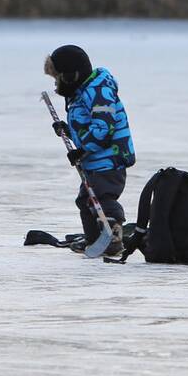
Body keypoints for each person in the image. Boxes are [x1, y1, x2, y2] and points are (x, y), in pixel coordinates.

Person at [44, 45, 136, 256]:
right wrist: (67, 131)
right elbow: (86, 124)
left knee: (102, 197)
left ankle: (113, 236)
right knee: (85, 199)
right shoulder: (80, 92)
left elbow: (104, 127)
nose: (56, 85)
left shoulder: (98, 90)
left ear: (71, 75)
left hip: (110, 159)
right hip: (94, 159)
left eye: (57, 78)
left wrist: (83, 150)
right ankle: (94, 239)